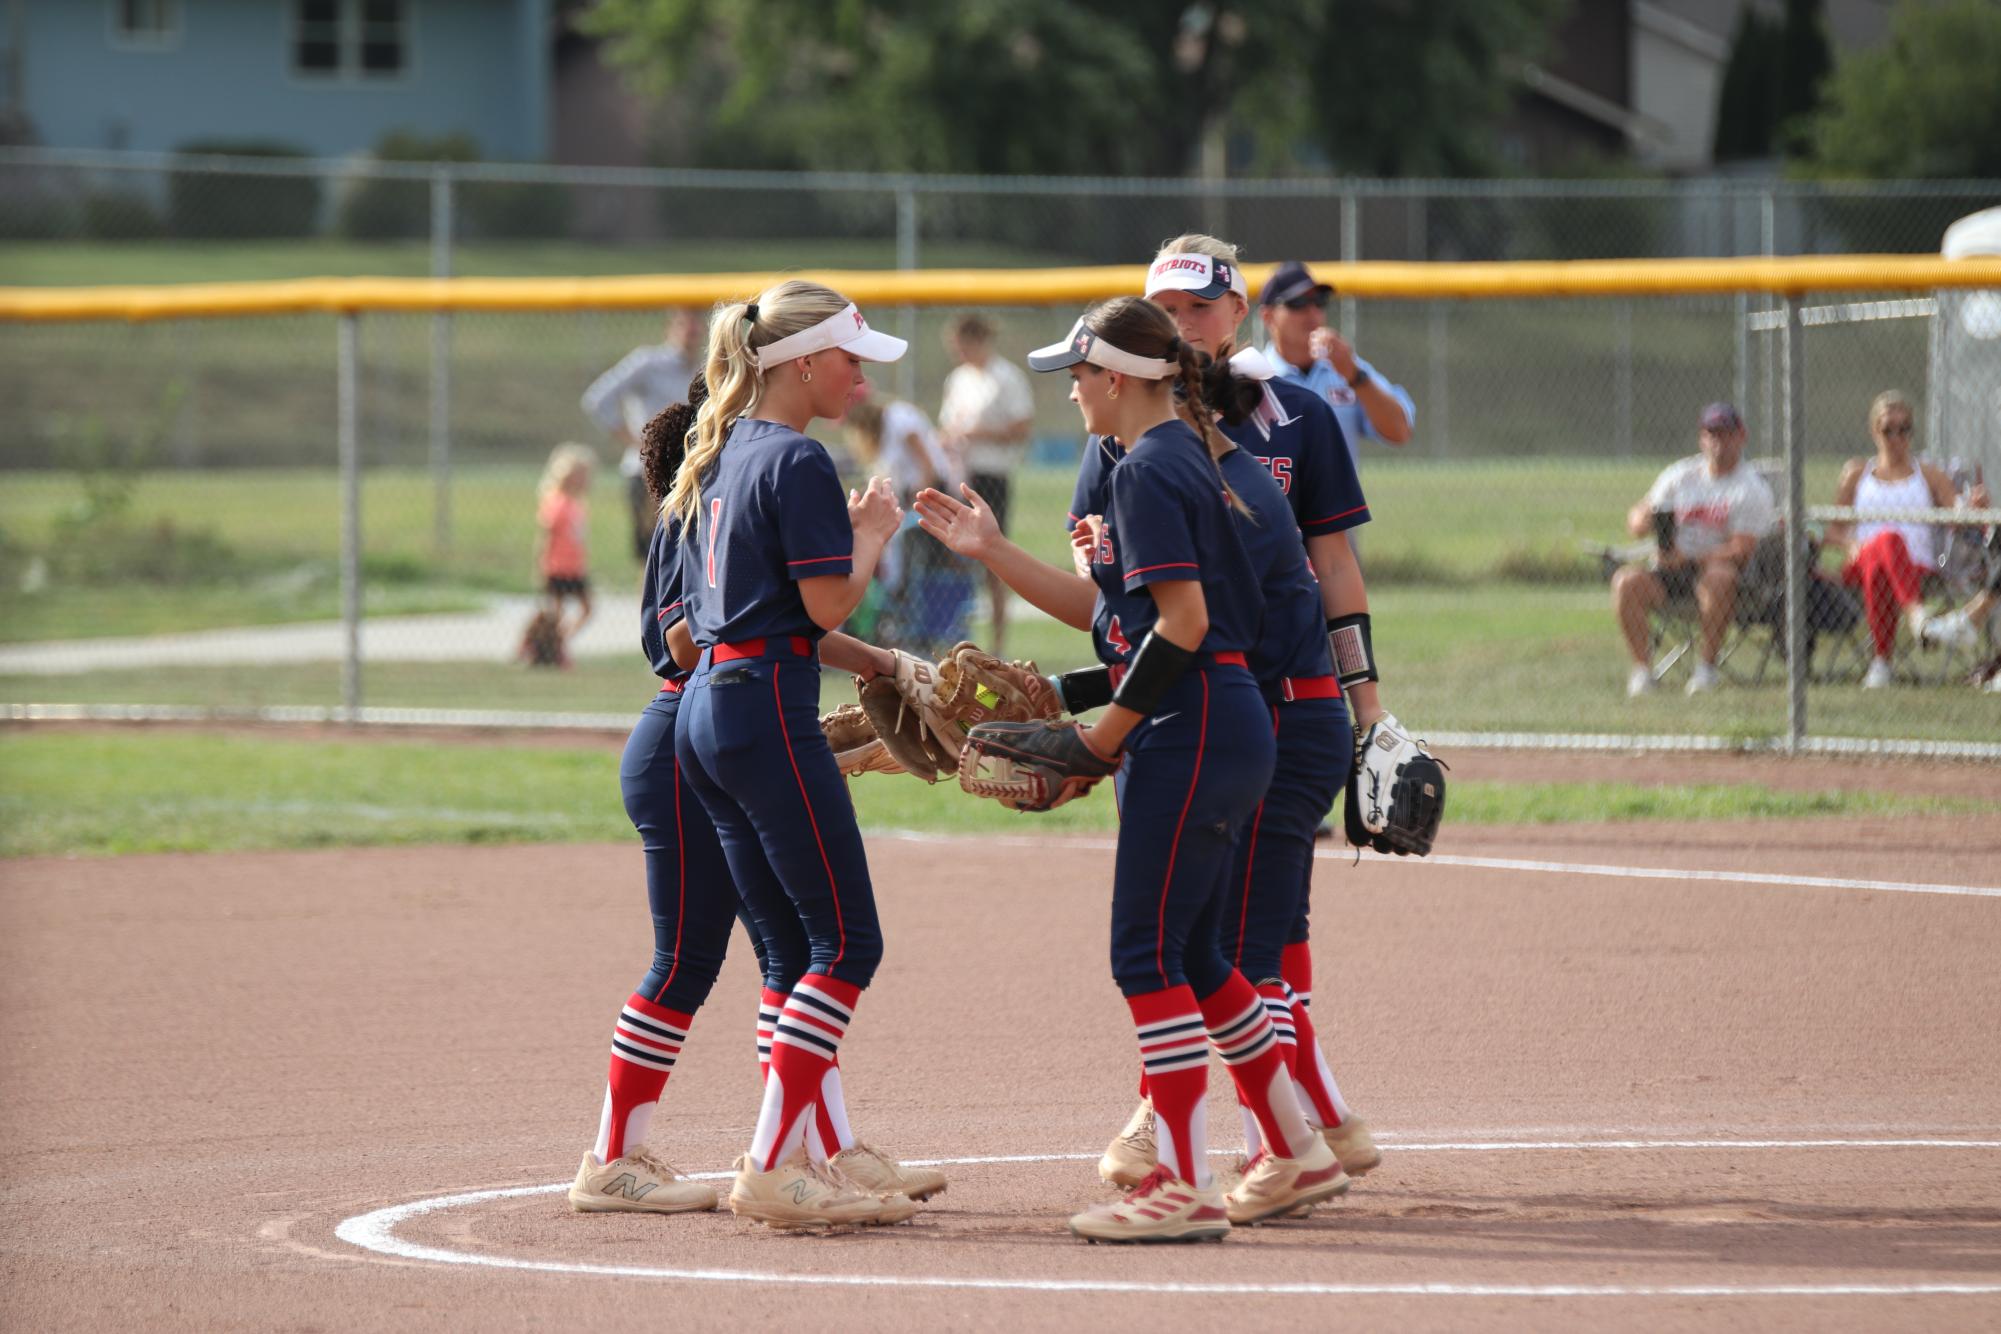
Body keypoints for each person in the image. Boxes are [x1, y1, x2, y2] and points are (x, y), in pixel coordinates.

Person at [917, 297, 1342, 1243]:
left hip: (1187, 725)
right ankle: (1294, 1143)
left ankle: (1182, 1184)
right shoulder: (1194, 455)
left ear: (1116, 378)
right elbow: (1149, 622)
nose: (1069, 392)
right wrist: (994, 555)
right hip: (1227, 720)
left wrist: (1099, 736)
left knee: (1142, 953)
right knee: (1196, 955)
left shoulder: (1148, 468)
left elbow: (1182, 628)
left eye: (1076, 374)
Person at [1122, 233, 1398, 1179]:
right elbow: (1114, 589)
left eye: (1199, 307)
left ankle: (1264, 1136)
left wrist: (1368, 707)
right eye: (1164, 308)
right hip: (1184, 708)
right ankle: (1294, 1117)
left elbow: (1333, 564)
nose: (1180, 325)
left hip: (1289, 700)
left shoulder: (1300, 421)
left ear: (1239, 314)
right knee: (1192, 930)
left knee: (1257, 929)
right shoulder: (1120, 427)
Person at [665, 279, 934, 1230]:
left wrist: (882, 663)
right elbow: (823, 607)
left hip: (709, 712)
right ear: (805, 361)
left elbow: (751, 620)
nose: (860, 380)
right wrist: (871, 537)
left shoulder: (728, 449)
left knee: (789, 951)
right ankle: (774, 1162)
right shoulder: (799, 459)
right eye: (851, 359)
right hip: (766, 710)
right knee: (848, 942)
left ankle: (813, 1152)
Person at [1828, 391, 1990, 688]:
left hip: (1916, 568)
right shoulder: (1856, 473)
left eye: (1904, 429)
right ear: (1874, 430)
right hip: (1859, 564)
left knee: (1884, 561)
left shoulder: (1927, 474)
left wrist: (1972, 507)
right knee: (1887, 540)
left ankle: (1881, 664)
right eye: (1888, 429)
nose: (1896, 437)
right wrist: (1851, 545)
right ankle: (1918, 618)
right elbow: (1834, 530)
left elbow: (1956, 510)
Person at [1613, 402, 1776, 697]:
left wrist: (1690, 559)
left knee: (1719, 579)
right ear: (1701, 438)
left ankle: (1706, 670)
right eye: (1711, 433)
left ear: (1742, 436)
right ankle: (1643, 671)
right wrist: (1646, 519)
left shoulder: (1749, 488)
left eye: (1725, 434)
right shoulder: (1681, 476)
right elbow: (1637, 519)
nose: (1717, 442)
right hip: (1669, 569)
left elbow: (1742, 549)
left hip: (1719, 574)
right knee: (1626, 582)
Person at [937, 313, 1035, 655]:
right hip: (960, 472)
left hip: (991, 475)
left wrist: (978, 434)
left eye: (961, 346)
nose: (958, 353)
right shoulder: (958, 378)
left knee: (994, 560)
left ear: (977, 341)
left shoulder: (1005, 377)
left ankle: (998, 643)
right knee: (954, 556)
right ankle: (955, 633)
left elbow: (1022, 428)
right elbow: (948, 424)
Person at [1259, 259, 1415, 469]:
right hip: (1276, 502)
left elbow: (1399, 432)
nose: (1312, 312)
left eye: (1319, 301)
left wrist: (1354, 376)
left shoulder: (1347, 366)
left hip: (1337, 502)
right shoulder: (1254, 376)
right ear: (1268, 316)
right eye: (1298, 303)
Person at [843, 395, 970, 652]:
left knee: (919, 567)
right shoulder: (883, 440)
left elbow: (928, 466)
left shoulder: (899, 419)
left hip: (931, 496)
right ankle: (894, 617)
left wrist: (916, 501)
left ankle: (918, 628)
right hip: (910, 501)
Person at [583, 310, 705, 561]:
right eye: (684, 322)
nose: (691, 330)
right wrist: (635, 442)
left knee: (690, 555)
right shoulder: (649, 363)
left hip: (691, 471)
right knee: (654, 556)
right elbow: (597, 399)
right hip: (650, 472)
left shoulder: (703, 366)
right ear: (670, 327)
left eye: (696, 321)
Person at [535, 442, 597, 648]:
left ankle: (560, 640)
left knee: (587, 608)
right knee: (556, 611)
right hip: (557, 567)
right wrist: (541, 564)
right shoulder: (556, 503)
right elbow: (546, 536)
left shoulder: (577, 503)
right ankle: (551, 646)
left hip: (575, 568)